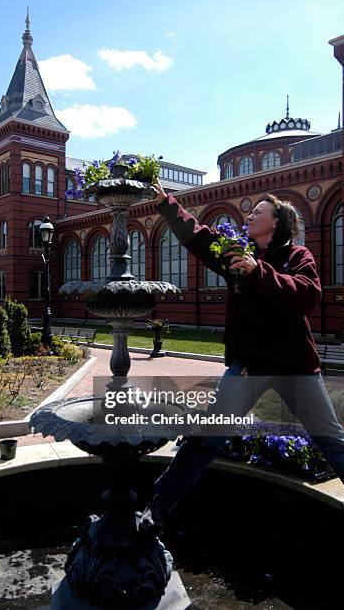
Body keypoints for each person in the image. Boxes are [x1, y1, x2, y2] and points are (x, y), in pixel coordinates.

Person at [139, 182, 344, 534]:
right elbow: (199, 237)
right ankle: (157, 508)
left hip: (294, 369)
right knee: (206, 439)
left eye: (258, 212)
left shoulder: (298, 257)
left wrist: (257, 270)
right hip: (247, 369)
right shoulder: (235, 253)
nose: (249, 215)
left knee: (330, 441)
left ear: (277, 222)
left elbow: (308, 297)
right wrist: (168, 205)